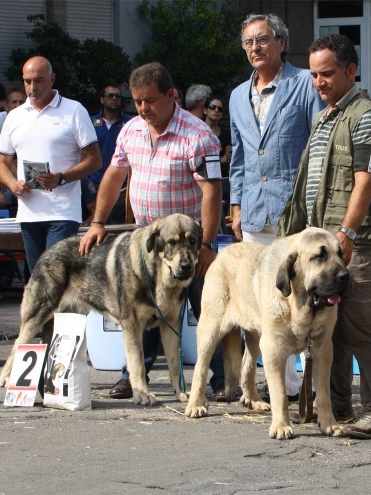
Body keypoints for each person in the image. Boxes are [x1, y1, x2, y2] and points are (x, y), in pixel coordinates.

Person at [78, 62, 225, 401]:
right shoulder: (130, 130)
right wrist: (98, 221)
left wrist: (204, 244)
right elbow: (114, 177)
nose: (143, 108)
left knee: (206, 308)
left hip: (190, 241)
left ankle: (217, 380)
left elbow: (212, 192)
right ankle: (134, 377)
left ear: (171, 95)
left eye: (150, 100)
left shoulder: (198, 134)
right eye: (137, 101)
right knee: (140, 306)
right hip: (147, 242)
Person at [278, 33, 371, 437]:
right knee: (332, 331)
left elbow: (367, 179)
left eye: (326, 73)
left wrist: (346, 231)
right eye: (313, 75)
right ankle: (339, 409)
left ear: (350, 70)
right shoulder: (325, 116)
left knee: (362, 326)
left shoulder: (370, 118)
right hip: (323, 247)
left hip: (351, 246)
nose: (318, 82)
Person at [230, 13, 325, 402]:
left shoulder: (304, 84)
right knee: (268, 303)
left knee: (305, 297)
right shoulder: (237, 95)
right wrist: (235, 205)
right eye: (249, 42)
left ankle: (313, 388)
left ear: (282, 43)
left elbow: (319, 145)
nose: (255, 47)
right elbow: (238, 157)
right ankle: (278, 389)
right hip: (253, 210)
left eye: (263, 40)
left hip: (296, 211)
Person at [0, 56, 102, 276]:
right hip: (28, 212)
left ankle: (62, 312)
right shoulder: (14, 117)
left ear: (52, 79)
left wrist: (61, 178)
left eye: (39, 80)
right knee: (37, 280)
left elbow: (94, 159)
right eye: (27, 81)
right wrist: (13, 183)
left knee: (55, 276)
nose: (32, 87)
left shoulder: (74, 110)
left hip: (63, 212)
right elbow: (1, 165)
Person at [81, 84, 133, 223]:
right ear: (102, 99)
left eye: (118, 96)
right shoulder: (91, 122)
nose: (115, 99)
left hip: (121, 184)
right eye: (111, 96)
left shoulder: (130, 123)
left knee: (118, 225)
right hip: (94, 183)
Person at [204, 96, 231, 175]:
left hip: (221, 175)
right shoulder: (197, 131)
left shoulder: (226, 134)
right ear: (205, 110)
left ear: (222, 114)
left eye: (220, 109)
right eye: (212, 107)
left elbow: (225, 158)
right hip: (202, 175)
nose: (216, 110)